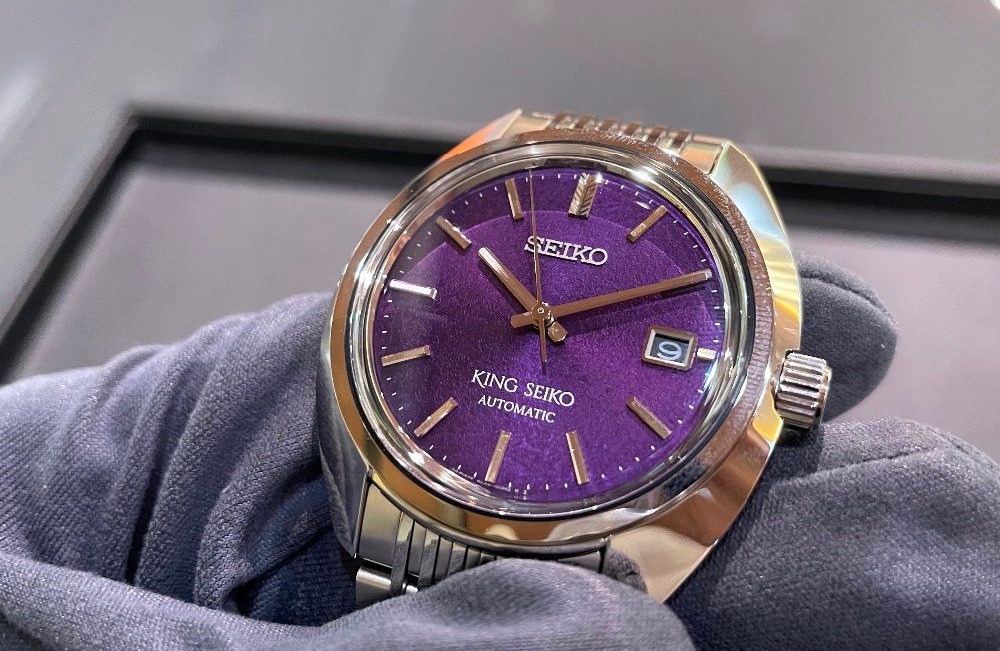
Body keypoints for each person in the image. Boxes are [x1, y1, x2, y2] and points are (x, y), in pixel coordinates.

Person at [0, 255, 996, 650]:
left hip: (607, 505)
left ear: (786, 391)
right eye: (531, 309)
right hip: (396, 469)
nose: (541, 325)